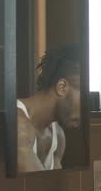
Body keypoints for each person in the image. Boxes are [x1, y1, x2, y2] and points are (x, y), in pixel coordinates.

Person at [17, 44, 82, 172]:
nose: (86, 111)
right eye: (84, 99)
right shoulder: (19, 125)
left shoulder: (58, 136)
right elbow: (35, 185)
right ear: (62, 87)